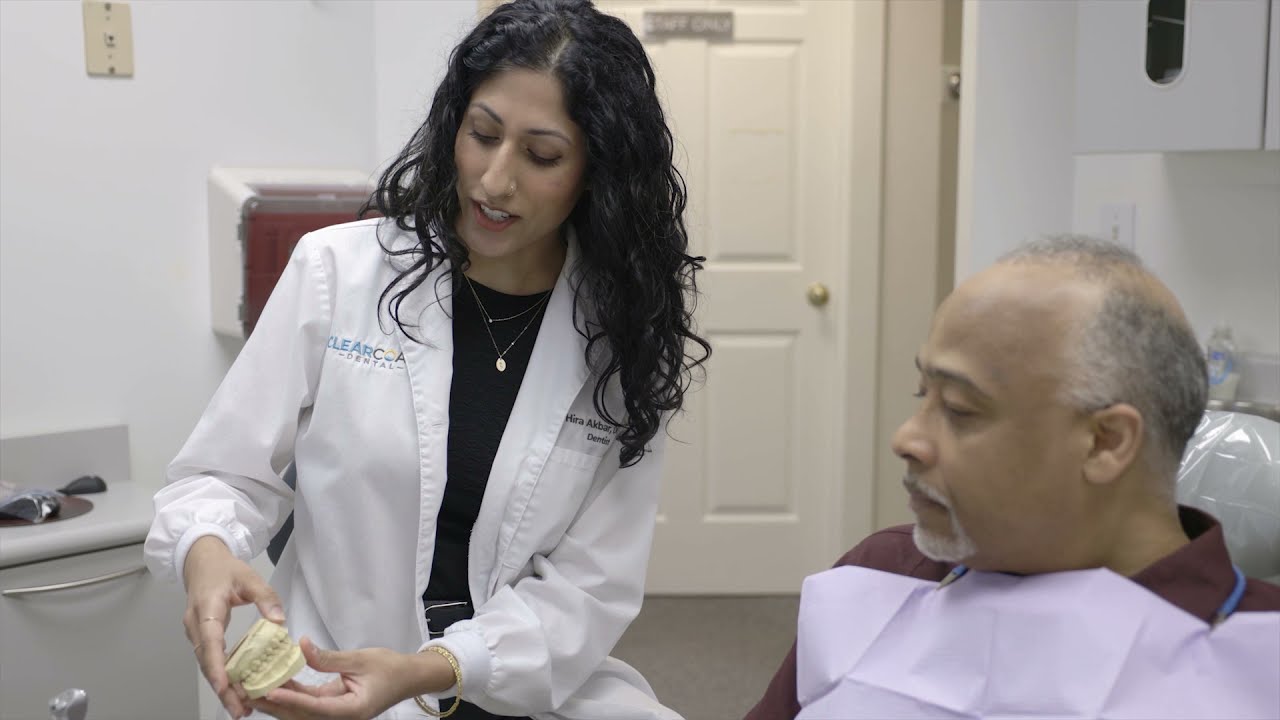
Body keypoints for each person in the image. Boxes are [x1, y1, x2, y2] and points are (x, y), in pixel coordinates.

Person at [144, 1, 708, 718]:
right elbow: (218, 476)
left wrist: (435, 668)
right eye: (482, 135)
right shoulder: (340, 272)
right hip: (335, 666)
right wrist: (207, 552)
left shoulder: (624, 335)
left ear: (598, 172)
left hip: (523, 679)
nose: (493, 181)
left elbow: (590, 590)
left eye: (540, 156)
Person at [744, 235, 1280, 719]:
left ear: (1105, 442)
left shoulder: (1258, 658)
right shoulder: (887, 574)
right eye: (920, 395)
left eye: (958, 408)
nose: (906, 438)